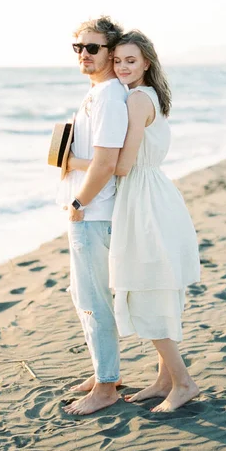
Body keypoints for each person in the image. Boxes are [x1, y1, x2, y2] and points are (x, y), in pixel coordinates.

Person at [68, 30, 201, 412]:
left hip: (143, 200)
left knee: (147, 291)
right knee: (156, 288)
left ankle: (183, 382)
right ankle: (164, 380)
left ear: (147, 63)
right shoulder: (143, 97)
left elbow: (121, 166)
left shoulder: (137, 100)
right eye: (120, 60)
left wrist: (71, 162)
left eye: (132, 61)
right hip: (152, 196)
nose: (123, 67)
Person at [57, 16, 128, 416]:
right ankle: (106, 372)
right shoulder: (97, 93)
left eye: (93, 48)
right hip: (88, 210)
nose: (84, 54)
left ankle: (105, 386)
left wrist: (78, 205)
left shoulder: (108, 97)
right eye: (78, 48)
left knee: (93, 298)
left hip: (94, 212)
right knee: (82, 294)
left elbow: (107, 163)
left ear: (110, 50)